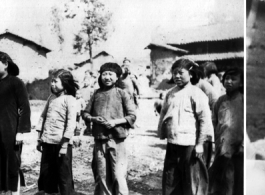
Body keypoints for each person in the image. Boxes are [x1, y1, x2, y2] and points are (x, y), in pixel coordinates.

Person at [157, 58, 214, 195]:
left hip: (190, 144)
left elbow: (204, 120)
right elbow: (164, 114)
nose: (177, 76)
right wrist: (162, 132)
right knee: (171, 178)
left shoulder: (197, 93)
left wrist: (200, 144)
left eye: (180, 73)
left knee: (191, 180)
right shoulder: (170, 93)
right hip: (173, 142)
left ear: (191, 74)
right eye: (174, 73)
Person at [82, 63, 136, 195]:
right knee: (102, 175)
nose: (107, 77)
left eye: (110, 74)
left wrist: (115, 122)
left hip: (117, 141)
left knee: (118, 175)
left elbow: (132, 116)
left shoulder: (122, 93)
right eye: (104, 74)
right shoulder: (96, 93)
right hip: (100, 140)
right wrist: (93, 119)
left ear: (117, 77)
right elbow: (85, 113)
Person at [36, 69, 78, 195]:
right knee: (47, 173)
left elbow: (71, 123)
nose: (52, 84)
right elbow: (43, 117)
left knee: (63, 175)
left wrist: (64, 145)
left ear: (65, 83)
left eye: (55, 81)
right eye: (51, 82)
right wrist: (39, 139)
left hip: (62, 145)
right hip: (47, 142)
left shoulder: (69, 99)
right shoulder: (51, 98)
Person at [208, 68, 244, 195]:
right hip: (222, 147)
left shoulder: (244, 100)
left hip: (239, 150)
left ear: (241, 83)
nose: (229, 81)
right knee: (220, 181)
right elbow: (214, 121)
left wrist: (243, 145)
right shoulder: (220, 101)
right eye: (227, 78)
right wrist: (216, 140)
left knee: (237, 181)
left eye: (233, 79)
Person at [0, 51, 31, 195]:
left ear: (5, 64)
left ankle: (14, 193)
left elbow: (25, 108)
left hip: (10, 131)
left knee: (12, 164)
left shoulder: (16, 83)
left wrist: (20, 131)